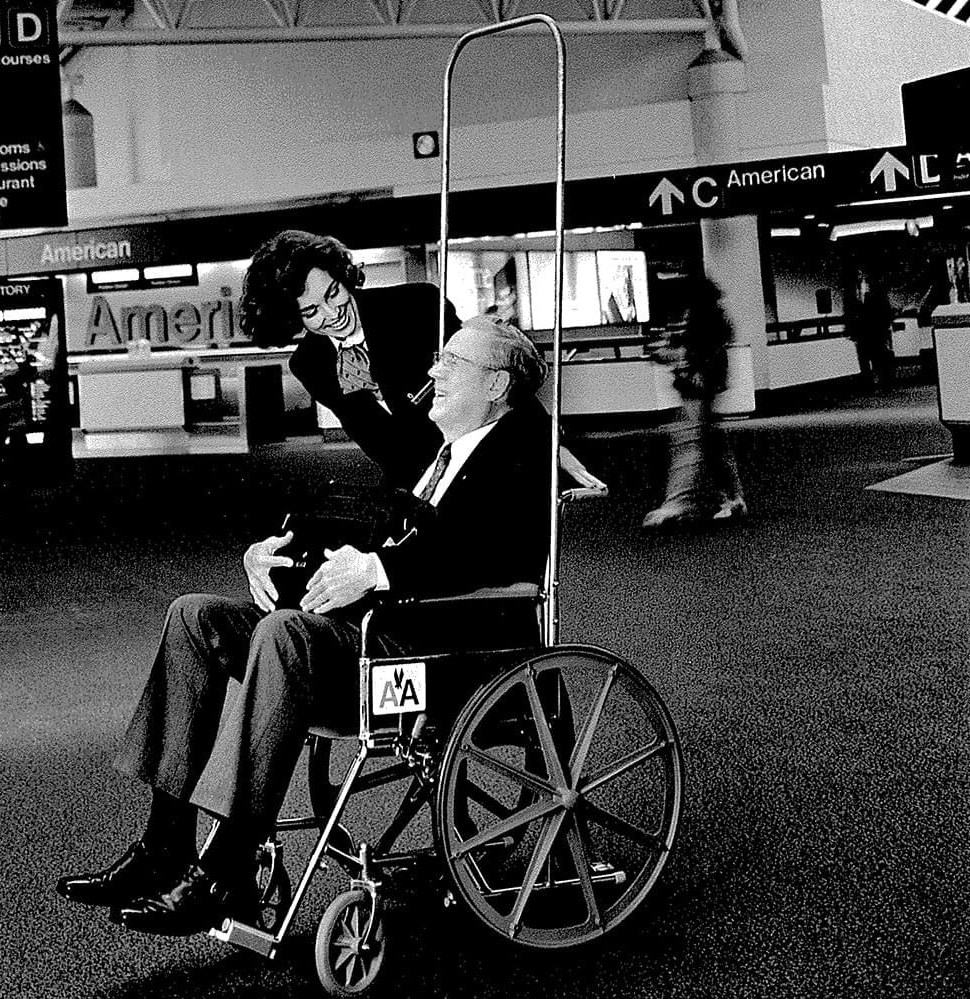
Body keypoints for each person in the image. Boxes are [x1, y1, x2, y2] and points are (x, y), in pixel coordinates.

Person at [56, 315, 552, 936]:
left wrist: (378, 569)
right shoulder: (438, 450)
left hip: (438, 655)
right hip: (375, 634)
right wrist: (273, 549)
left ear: (497, 385)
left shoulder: (518, 452)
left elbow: (491, 553)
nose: (433, 371)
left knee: (284, 634)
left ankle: (227, 868)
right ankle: (165, 845)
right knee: (194, 616)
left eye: (451, 362)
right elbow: (375, 521)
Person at [240, 229, 460, 487]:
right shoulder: (308, 363)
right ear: (291, 318)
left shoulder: (419, 303)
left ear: (343, 275)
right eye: (311, 312)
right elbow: (373, 438)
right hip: (415, 479)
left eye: (333, 292)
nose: (333, 313)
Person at [643, 273, 747, 527]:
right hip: (700, 384)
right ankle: (733, 499)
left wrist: (669, 355)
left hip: (696, 386)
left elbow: (691, 353)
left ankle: (679, 501)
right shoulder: (709, 315)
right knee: (712, 443)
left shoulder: (701, 318)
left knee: (689, 441)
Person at [846, 272, 895, 391]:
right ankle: (877, 383)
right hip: (870, 332)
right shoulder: (876, 297)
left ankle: (875, 383)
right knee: (872, 358)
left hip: (870, 332)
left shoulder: (871, 297)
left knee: (870, 358)